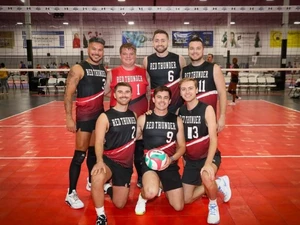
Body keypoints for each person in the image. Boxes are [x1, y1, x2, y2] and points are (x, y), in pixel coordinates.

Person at [177, 78, 231, 224]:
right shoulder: (180, 111)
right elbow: (182, 141)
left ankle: (213, 205)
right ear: (180, 92)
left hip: (209, 156)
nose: (187, 92)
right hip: (192, 160)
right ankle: (219, 184)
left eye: (190, 88)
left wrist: (207, 164)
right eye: (184, 89)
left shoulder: (207, 109)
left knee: (207, 176)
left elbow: (214, 139)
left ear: (196, 90)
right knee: (186, 199)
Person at [64, 37, 107, 209]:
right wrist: (68, 117)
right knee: (79, 155)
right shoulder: (78, 68)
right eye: (94, 49)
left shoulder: (103, 69)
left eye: (100, 50)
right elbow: (68, 94)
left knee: (93, 153)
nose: (97, 52)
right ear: (88, 49)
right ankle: (71, 192)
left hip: (99, 117)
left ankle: (91, 182)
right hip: (84, 117)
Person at [105, 43, 151, 188]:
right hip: (119, 119)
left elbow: (149, 93)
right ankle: (114, 176)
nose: (128, 57)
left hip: (140, 117)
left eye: (131, 54)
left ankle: (140, 177)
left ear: (135, 55)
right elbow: (107, 92)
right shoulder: (113, 72)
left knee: (138, 149)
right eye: (125, 54)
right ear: (120, 56)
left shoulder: (143, 71)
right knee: (117, 148)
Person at [135, 86, 186, 215]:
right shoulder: (143, 119)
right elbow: (131, 139)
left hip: (169, 164)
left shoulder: (177, 120)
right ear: (153, 99)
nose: (162, 100)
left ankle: (161, 184)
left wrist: (172, 159)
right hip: (150, 164)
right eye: (159, 97)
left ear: (169, 101)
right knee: (150, 192)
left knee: (178, 206)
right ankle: (143, 196)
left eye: (165, 98)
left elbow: (182, 146)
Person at [91, 82, 137, 225]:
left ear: (131, 95)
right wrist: (99, 161)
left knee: (120, 204)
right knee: (97, 177)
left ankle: (109, 188)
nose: (124, 94)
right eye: (120, 92)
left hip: (125, 166)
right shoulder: (105, 117)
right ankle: (101, 216)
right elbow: (98, 142)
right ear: (115, 95)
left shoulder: (134, 115)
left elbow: (138, 134)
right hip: (109, 161)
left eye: (127, 92)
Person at [182, 37, 227, 132]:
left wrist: (222, 116)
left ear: (203, 50)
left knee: (210, 145)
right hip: (188, 120)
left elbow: (222, 93)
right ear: (188, 50)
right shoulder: (184, 70)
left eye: (198, 48)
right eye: (191, 48)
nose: (195, 51)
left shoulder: (214, 68)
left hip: (207, 120)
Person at [143, 29, 186, 113]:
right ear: (153, 43)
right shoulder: (147, 60)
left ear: (168, 42)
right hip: (156, 106)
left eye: (163, 40)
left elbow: (185, 83)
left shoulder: (179, 59)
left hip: (176, 107)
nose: (160, 44)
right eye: (157, 41)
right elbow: (147, 87)